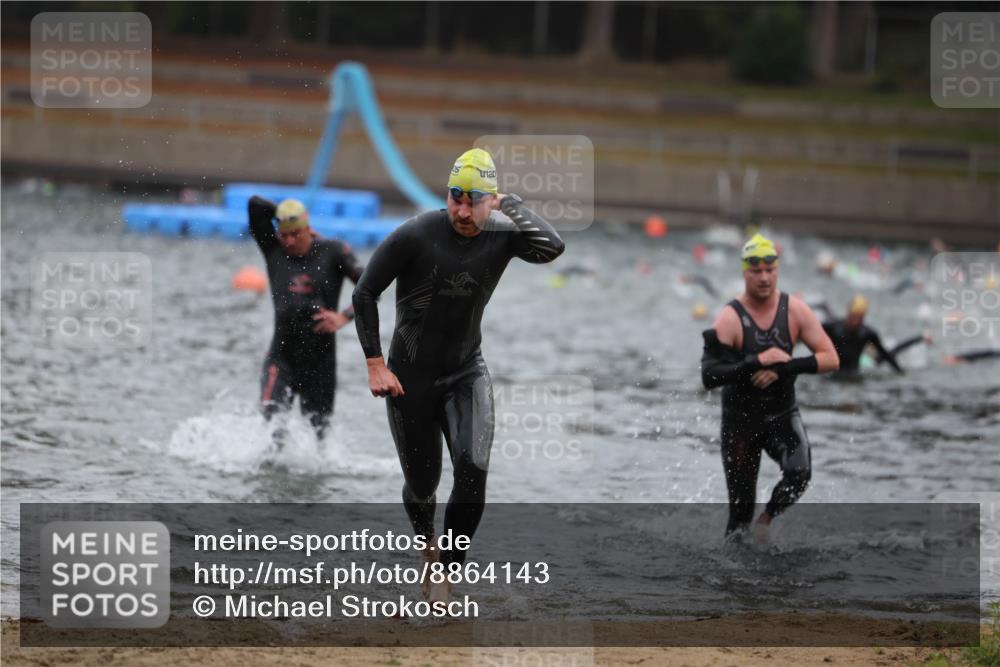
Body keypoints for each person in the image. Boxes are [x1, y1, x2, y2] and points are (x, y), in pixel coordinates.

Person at [352, 148, 565, 601]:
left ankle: (445, 575)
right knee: (423, 483)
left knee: (473, 468)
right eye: (455, 199)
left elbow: (552, 247)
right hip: (408, 380)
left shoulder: (503, 234)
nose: (463, 212)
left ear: (490, 200)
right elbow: (365, 292)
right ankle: (427, 550)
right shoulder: (416, 234)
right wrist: (374, 363)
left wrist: (512, 204)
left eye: (474, 201)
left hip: (467, 371)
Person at [701, 233, 839, 541]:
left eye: (770, 270)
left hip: (781, 415)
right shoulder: (729, 317)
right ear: (744, 272)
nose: (764, 278)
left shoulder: (795, 311)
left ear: (777, 270)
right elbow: (709, 376)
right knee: (739, 518)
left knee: (799, 474)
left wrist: (785, 367)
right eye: (756, 271)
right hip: (740, 424)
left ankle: (766, 521)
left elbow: (831, 358)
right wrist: (757, 360)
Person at [248, 196, 364, 443]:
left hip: (320, 364)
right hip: (281, 360)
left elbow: (370, 286)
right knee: (271, 434)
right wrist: (284, 214)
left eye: (296, 234)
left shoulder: (333, 252)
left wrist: (344, 317)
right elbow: (255, 205)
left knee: (318, 441)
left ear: (308, 228)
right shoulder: (273, 251)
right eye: (284, 234)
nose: (289, 241)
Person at [821, 295, 930, 374]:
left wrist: (900, 372)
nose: (855, 322)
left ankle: (920, 338)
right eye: (853, 317)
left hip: (853, 372)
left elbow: (886, 354)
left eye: (859, 318)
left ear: (863, 317)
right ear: (848, 313)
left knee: (880, 359)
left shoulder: (867, 333)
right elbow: (810, 335)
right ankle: (823, 305)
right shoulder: (833, 327)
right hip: (833, 372)